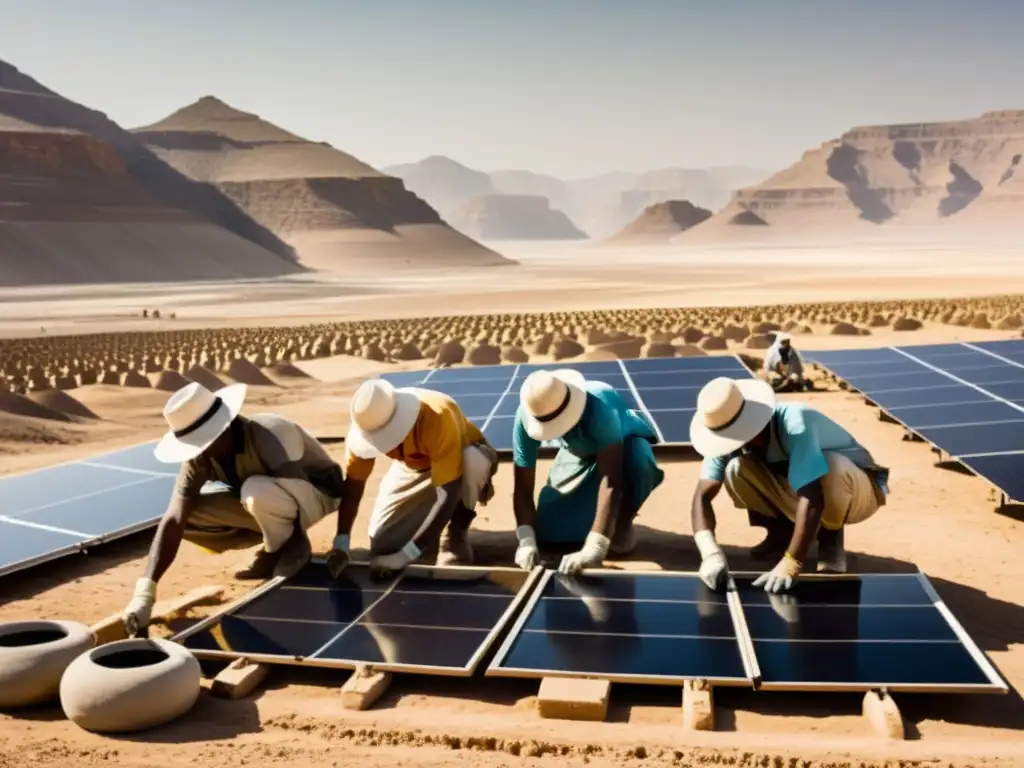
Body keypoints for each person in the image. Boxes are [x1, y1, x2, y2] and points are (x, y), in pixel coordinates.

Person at [122, 382, 344, 633]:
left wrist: (290, 537)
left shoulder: (265, 433)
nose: (200, 452)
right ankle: (275, 542)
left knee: (255, 490)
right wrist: (144, 593)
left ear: (223, 427)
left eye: (203, 442)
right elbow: (174, 518)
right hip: (268, 502)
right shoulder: (200, 458)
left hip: (318, 493)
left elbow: (295, 490)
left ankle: (290, 546)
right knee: (186, 515)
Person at [688, 376, 889, 593]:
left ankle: (831, 537)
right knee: (736, 469)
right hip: (801, 490)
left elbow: (812, 496)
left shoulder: (794, 423)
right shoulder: (724, 431)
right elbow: (702, 495)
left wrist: (792, 562)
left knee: (830, 467)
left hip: (859, 489)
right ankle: (781, 533)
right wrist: (710, 553)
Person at [327, 379, 498, 579]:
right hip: (412, 467)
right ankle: (427, 534)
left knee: (474, 462)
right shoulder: (368, 421)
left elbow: (448, 493)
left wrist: (405, 556)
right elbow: (354, 487)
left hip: (458, 460)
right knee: (383, 545)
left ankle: (455, 533)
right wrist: (341, 542)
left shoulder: (438, 416)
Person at [511, 369, 665, 575]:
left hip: (621, 449)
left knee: (639, 461)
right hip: (578, 450)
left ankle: (622, 523)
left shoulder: (601, 407)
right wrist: (526, 539)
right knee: (550, 536)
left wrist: (596, 546)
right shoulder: (526, 415)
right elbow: (522, 485)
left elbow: (611, 480)